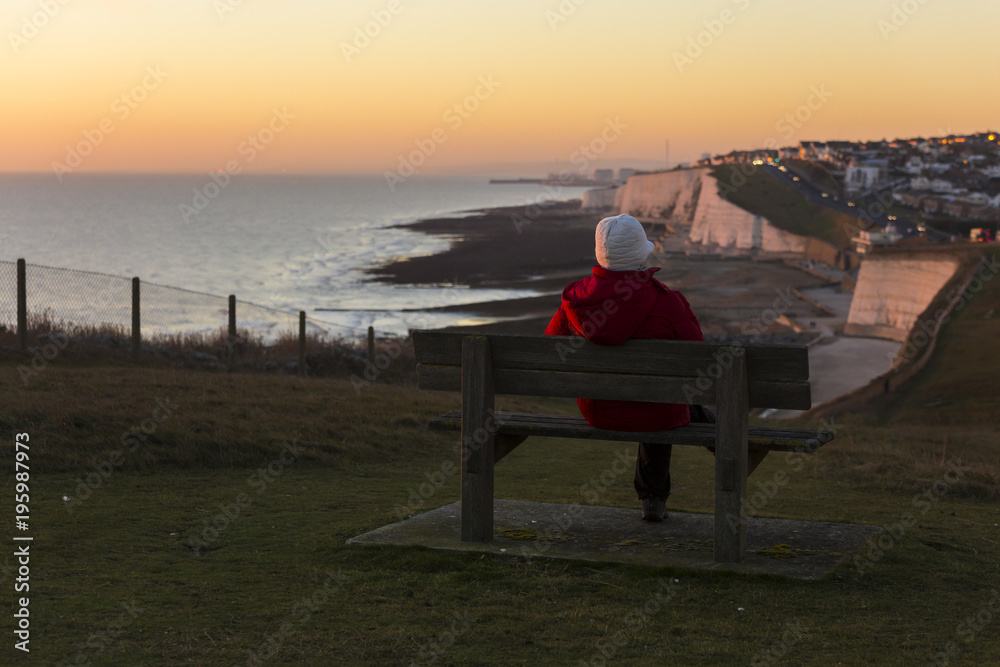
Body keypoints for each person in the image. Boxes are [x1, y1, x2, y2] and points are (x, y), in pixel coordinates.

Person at [544, 214, 712, 522]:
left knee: (659, 400)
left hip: (598, 409)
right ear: (640, 254)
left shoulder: (575, 301)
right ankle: (654, 499)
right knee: (662, 402)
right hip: (658, 411)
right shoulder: (667, 302)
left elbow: (548, 350)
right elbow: (699, 357)